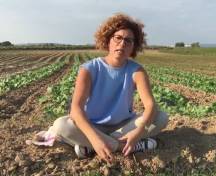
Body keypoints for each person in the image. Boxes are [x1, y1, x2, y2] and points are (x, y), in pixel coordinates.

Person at [50, 13, 168, 163]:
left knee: (161, 117)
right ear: (108, 40)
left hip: (124, 126)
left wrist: (139, 131)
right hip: (92, 125)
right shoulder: (89, 69)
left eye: (128, 40)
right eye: (118, 38)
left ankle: (91, 147)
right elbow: (76, 109)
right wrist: (94, 138)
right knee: (61, 125)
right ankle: (124, 146)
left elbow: (150, 106)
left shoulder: (137, 71)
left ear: (133, 47)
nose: (122, 43)